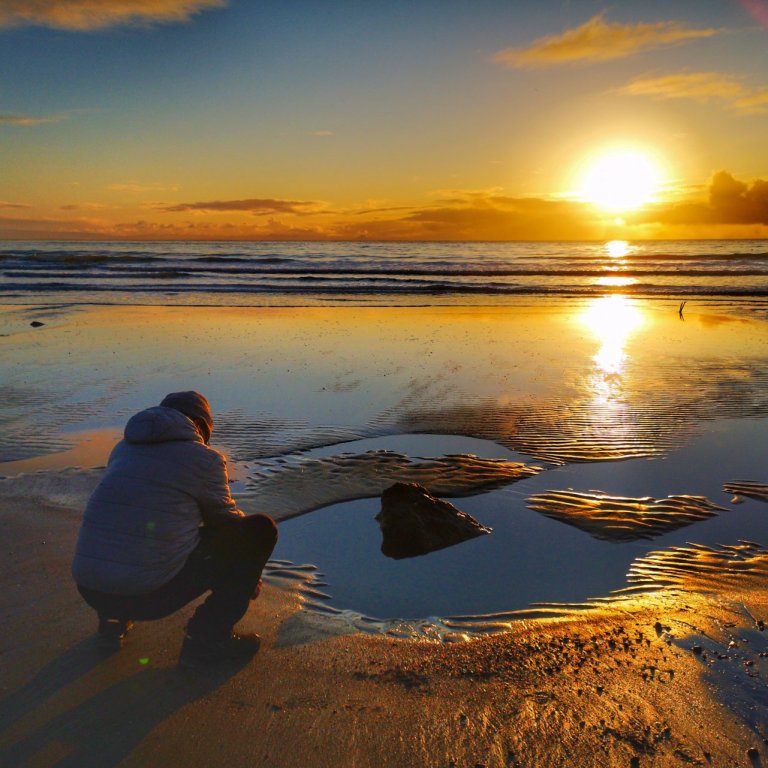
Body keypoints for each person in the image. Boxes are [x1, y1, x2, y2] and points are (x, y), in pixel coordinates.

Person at [72, 391, 277, 669]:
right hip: (148, 598)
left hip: (90, 588)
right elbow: (227, 524)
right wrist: (246, 575)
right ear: (201, 425)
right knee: (259, 530)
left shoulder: (122, 449)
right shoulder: (204, 459)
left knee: (123, 530)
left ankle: (111, 622)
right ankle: (205, 641)